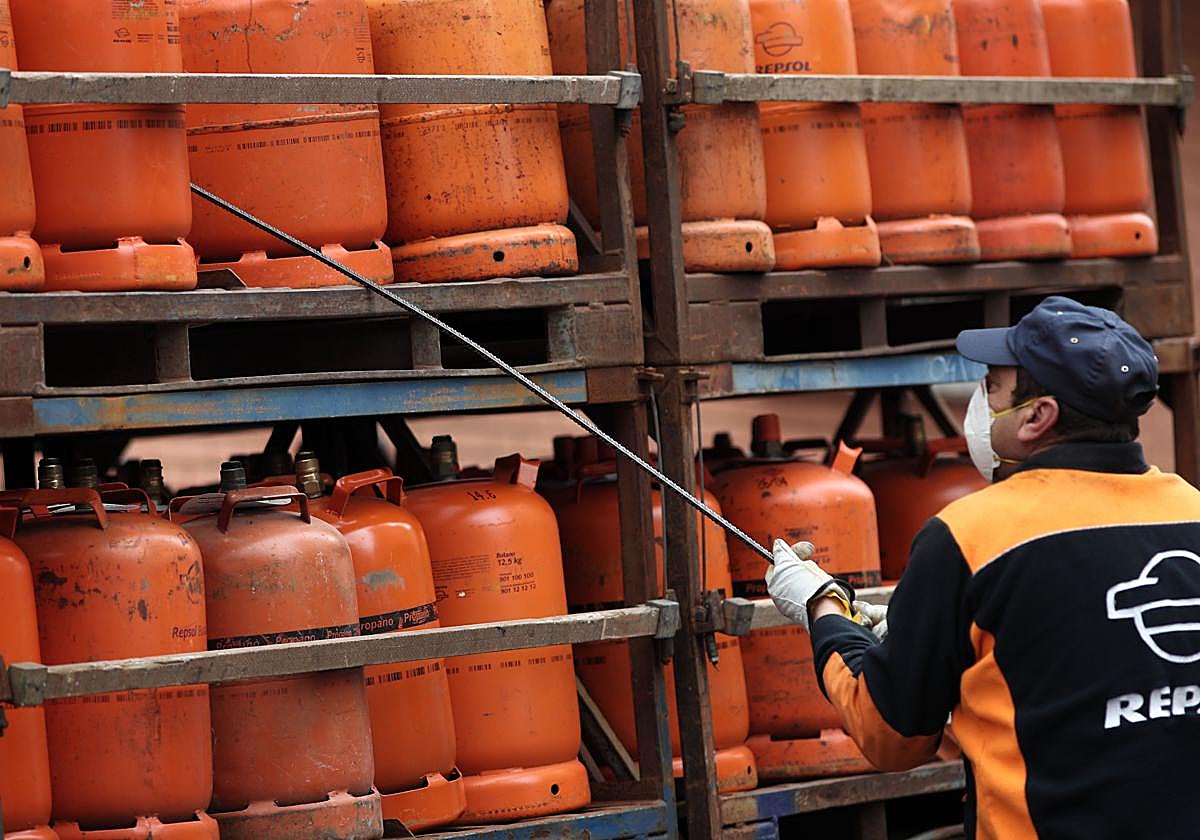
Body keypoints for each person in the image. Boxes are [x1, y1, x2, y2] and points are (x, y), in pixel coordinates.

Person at [765, 296, 1200, 840]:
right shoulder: (1193, 511)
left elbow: (889, 735)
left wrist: (825, 612)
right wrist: (931, 652)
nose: (979, 400)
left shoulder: (970, 537)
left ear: (1039, 417)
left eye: (992, 387)